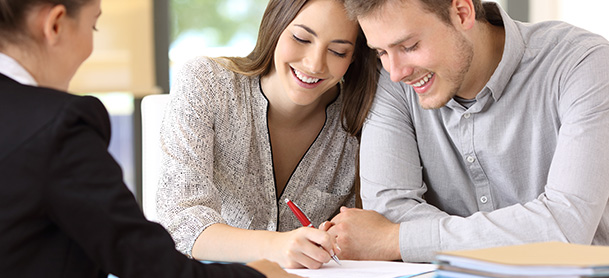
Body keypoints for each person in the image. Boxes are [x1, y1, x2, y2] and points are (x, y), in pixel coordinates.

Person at [0, 0, 300, 277]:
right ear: (56, 24)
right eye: (93, 25)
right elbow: (148, 265)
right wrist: (261, 275)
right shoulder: (58, 127)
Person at [324, 0, 609, 263]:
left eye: (409, 46)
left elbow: (566, 230)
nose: (396, 71)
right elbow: (389, 210)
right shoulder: (392, 80)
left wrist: (394, 240)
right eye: (382, 52)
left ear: (462, 12)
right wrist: (518, 233)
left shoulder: (584, 64)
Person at [156, 0, 378, 269]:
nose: (315, 64)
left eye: (337, 51)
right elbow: (180, 221)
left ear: (353, 58)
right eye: (301, 38)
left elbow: (367, 231)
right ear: (276, 25)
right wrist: (276, 246)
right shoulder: (207, 84)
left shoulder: (363, 122)